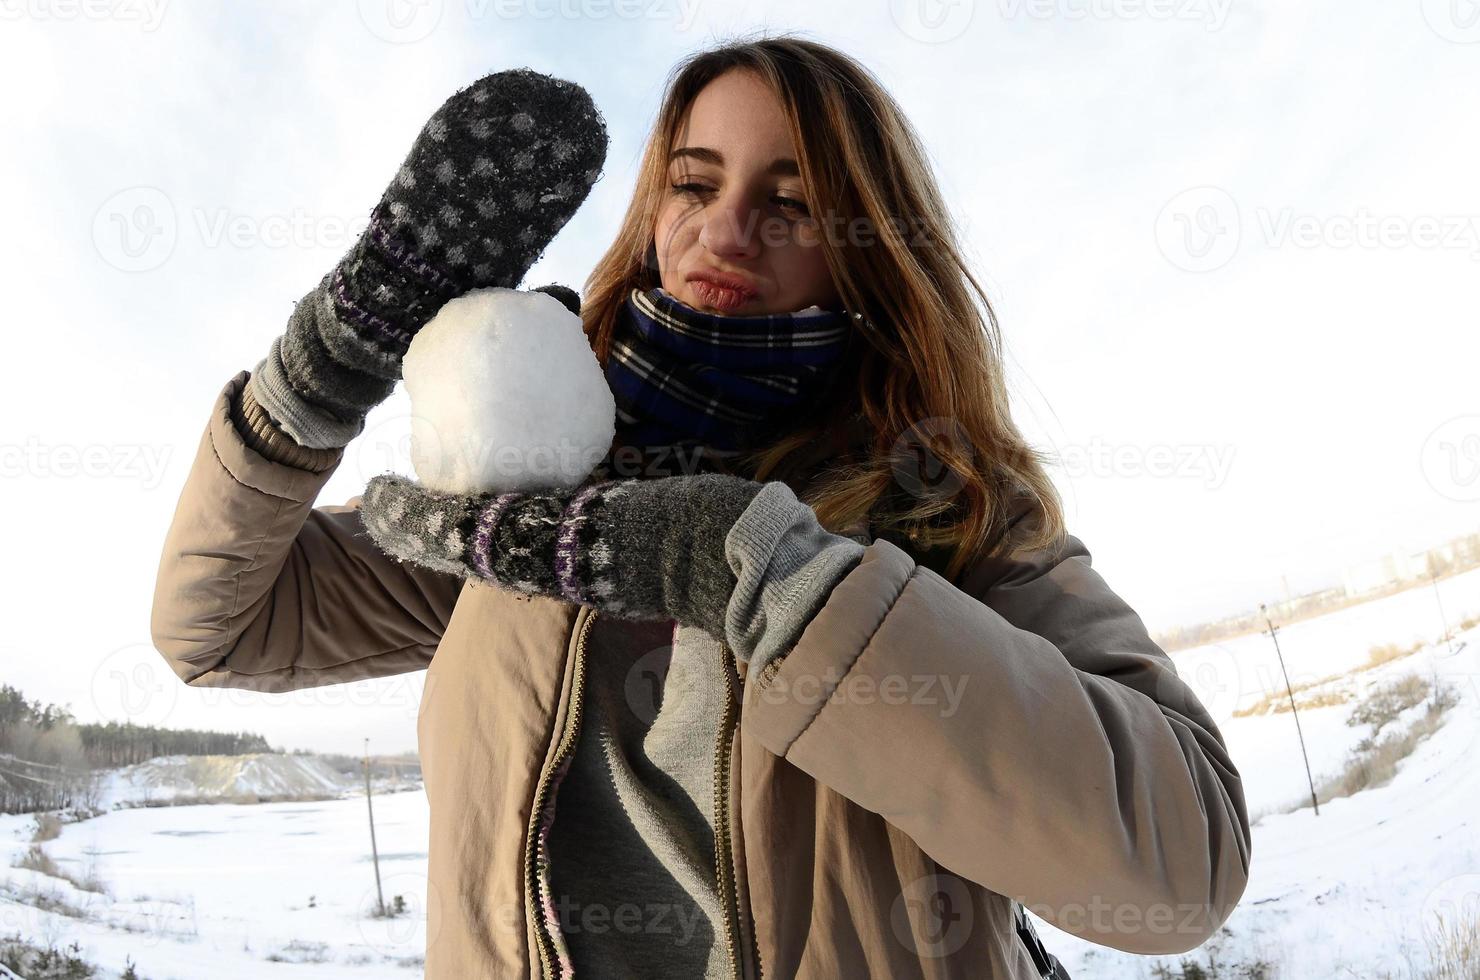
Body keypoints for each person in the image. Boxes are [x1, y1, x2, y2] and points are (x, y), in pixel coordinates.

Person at [150, 35, 1250, 980]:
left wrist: (777, 581)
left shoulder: (949, 507)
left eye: (788, 203)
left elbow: (1184, 865)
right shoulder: (524, 512)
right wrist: (324, 374)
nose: (727, 231)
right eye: (694, 183)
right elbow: (220, 625)